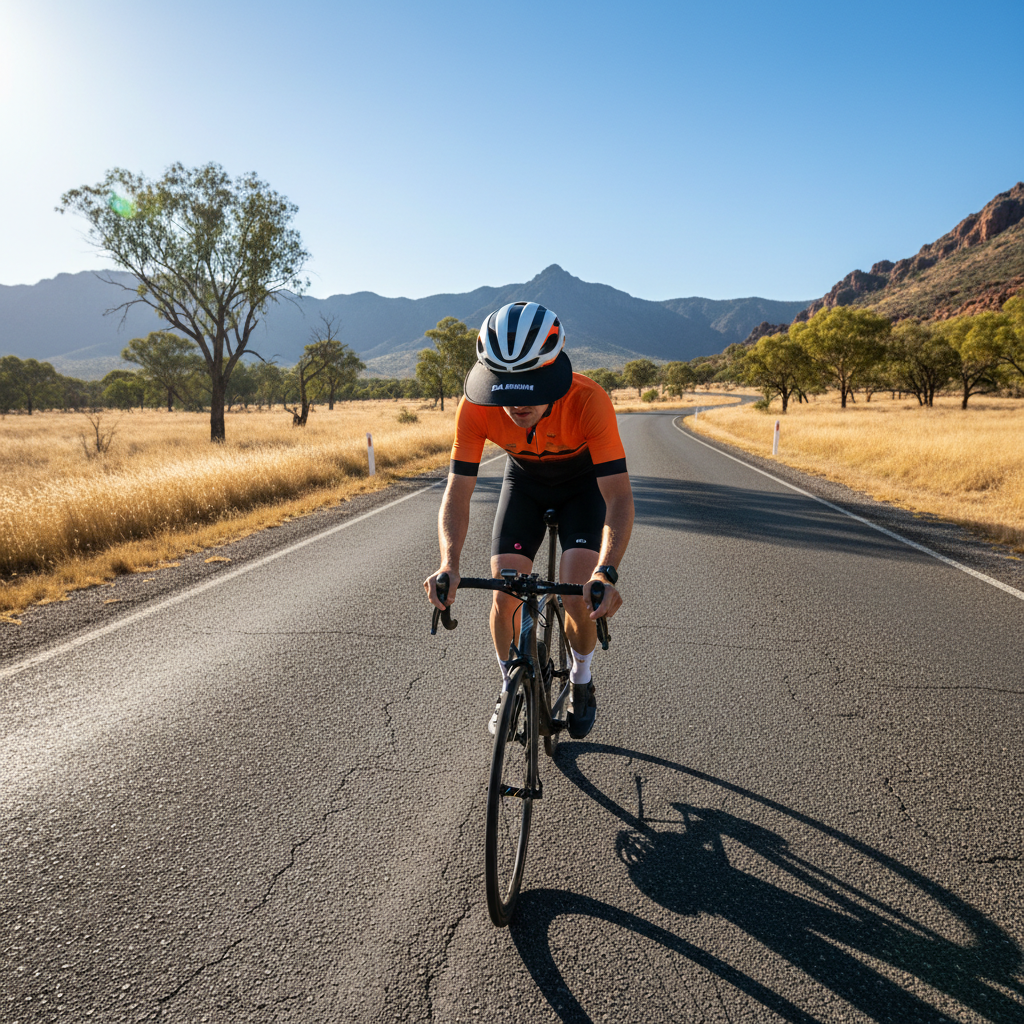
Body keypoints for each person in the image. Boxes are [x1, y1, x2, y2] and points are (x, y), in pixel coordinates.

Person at [424, 301, 634, 739]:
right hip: (524, 483)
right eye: (504, 389)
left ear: (552, 376)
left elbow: (617, 497)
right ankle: (509, 686)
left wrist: (606, 571)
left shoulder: (589, 400)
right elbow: (457, 491)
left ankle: (581, 677)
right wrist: (448, 563)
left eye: (530, 388)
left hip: (581, 488)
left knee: (578, 594)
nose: (517, 404)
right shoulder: (475, 406)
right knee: (505, 597)